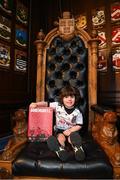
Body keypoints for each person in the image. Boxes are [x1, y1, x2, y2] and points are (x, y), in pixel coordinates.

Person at [30, 85, 85, 162]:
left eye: (72, 97)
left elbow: (79, 125)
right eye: (66, 97)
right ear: (62, 99)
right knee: (60, 138)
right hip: (59, 129)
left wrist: (71, 130)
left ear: (76, 98)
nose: (69, 99)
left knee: (72, 138)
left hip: (72, 130)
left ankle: (77, 148)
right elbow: (46, 103)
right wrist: (37, 104)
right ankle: (60, 149)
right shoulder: (57, 105)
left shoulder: (77, 112)